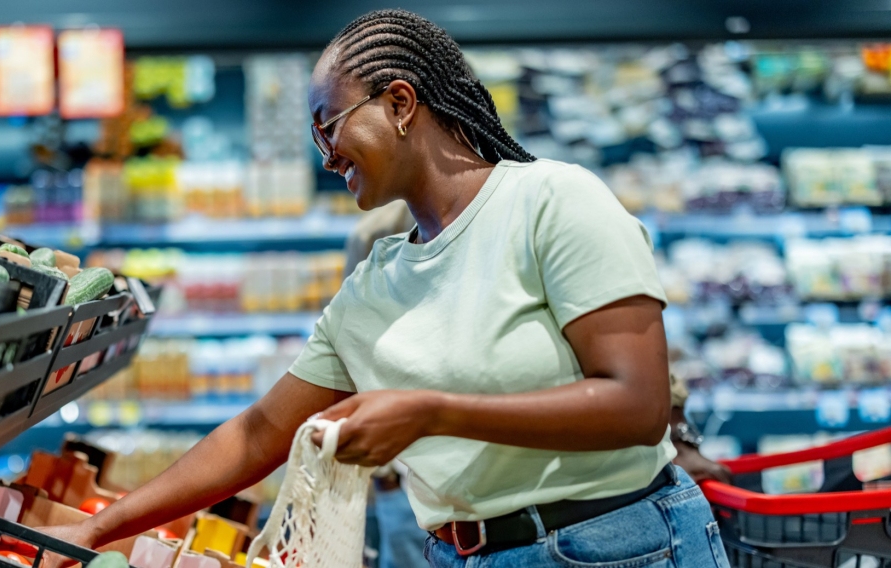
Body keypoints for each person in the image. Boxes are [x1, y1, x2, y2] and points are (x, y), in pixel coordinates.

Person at [41, 9, 729, 567]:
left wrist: (431, 412)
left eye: (328, 122)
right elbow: (255, 436)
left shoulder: (552, 200)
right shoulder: (374, 283)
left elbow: (636, 405)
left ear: (400, 102)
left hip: (620, 546)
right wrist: (97, 531)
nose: (323, 152)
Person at [345, 201, 731, 568]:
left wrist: (679, 437)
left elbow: (628, 352)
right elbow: (357, 349)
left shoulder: (533, 209)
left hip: (572, 509)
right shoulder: (378, 236)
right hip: (427, 498)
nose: (330, 153)